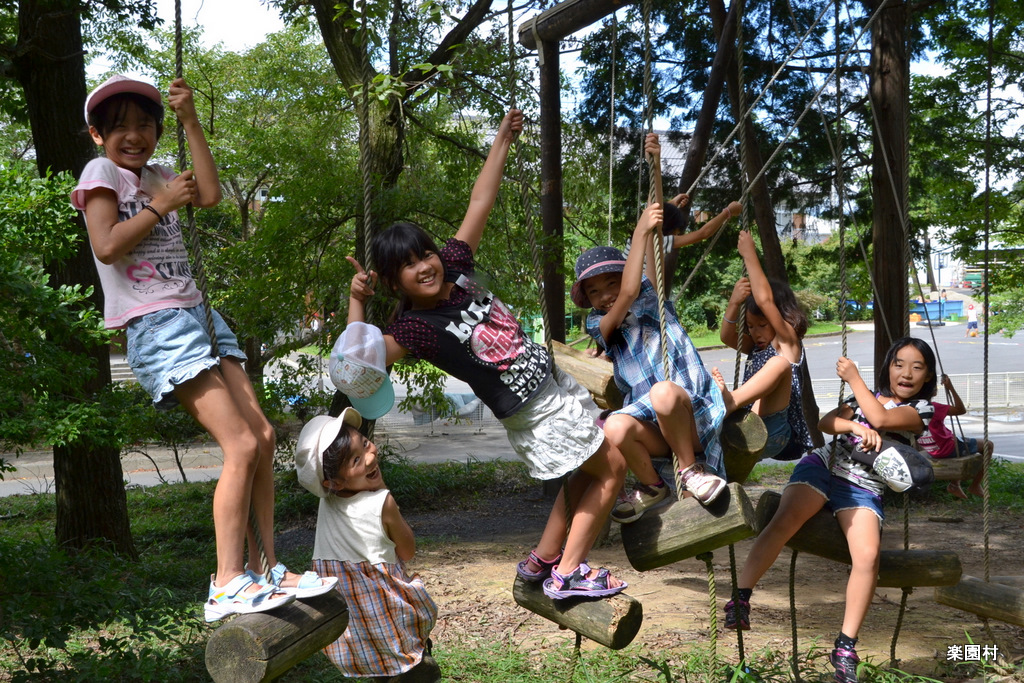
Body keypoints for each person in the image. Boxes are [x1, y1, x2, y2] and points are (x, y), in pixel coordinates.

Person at [72, 75, 335, 622]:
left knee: (262, 436)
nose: (134, 135)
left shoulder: (160, 175)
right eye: (119, 126)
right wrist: (160, 205)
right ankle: (227, 581)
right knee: (239, 445)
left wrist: (190, 120)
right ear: (97, 135)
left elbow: (211, 195)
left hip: (197, 313)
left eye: (145, 124)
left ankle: (265, 568)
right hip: (155, 320)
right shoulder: (101, 173)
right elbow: (106, 245)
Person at [346, 109, 629, 601]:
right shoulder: (414, 328)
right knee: (613, 470)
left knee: (588, 472)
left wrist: (500, 140)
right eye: (408, 266)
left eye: (425, 254)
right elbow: (358, 368)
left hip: (554, 386)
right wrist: (357, 300)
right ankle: (568, 574)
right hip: (532, 409)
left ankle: (541, 562)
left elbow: (481, 200)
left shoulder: (454, 268)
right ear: (394, 283)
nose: (425, 266)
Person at [722, 337, 937, 683]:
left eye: (917, 367)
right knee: (785, 520)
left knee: (867, 557)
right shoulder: (865, 398)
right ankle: (740, 597)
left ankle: (845, 646)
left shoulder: (921, 410)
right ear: (889, 367)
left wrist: (854, 378)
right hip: (825, 465)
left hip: (863, 486)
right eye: (899, 363)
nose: (907, 373)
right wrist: (852, 424)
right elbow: (826, 423)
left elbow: (881, 419)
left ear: (927, 376)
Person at [573, 162, 742, 522]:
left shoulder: (653, 301)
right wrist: (638, 231)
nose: (604, 296)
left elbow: (649, 256)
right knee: (615, 426)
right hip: (653, 428)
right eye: (594, 291)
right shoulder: (600, 325)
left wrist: (655, 167)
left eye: (611, 284)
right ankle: (652, 485)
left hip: (691, 416)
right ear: (587, 299)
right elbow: (629, 285)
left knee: (664, 393)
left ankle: (690, 470)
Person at [295, 408, 439, 680]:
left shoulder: (327, 501)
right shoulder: (382, 502)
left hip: (354, 637)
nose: (371, 457)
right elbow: (407, 551)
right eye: (356, 459)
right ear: (334, 482)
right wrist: (385, 494)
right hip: (391, 621)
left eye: (364, 444)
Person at [712, 230, 815, 461]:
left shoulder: (787, 344)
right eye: (750, 326)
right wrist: (733, 302)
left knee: (779, 364)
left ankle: (732, 400)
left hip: (780, 434)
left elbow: (765, 301)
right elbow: (727, 336)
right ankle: (729, 406)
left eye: (762, 324)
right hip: (751, 429)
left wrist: (750, 255)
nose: (755, 332)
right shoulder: (759, 348)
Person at [917, 374, 993, 499]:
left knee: (955, 438)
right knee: (988, 445)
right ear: (933, 392)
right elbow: (961, 410)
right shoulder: (934, 407)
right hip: (947, 448)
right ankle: (975, 485)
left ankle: (954, 485)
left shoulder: (912, 408)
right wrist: (950, 388)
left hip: (931, 449)